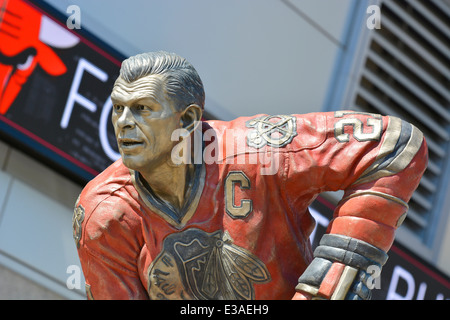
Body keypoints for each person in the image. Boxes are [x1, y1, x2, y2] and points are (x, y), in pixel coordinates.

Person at [73, 51, 428, 300]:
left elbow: (396, 145)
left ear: (187, 120)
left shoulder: (258, 151)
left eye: (142, 109)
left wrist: (330, 283)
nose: (122, 123)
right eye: (118, 107)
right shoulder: (103, 213)